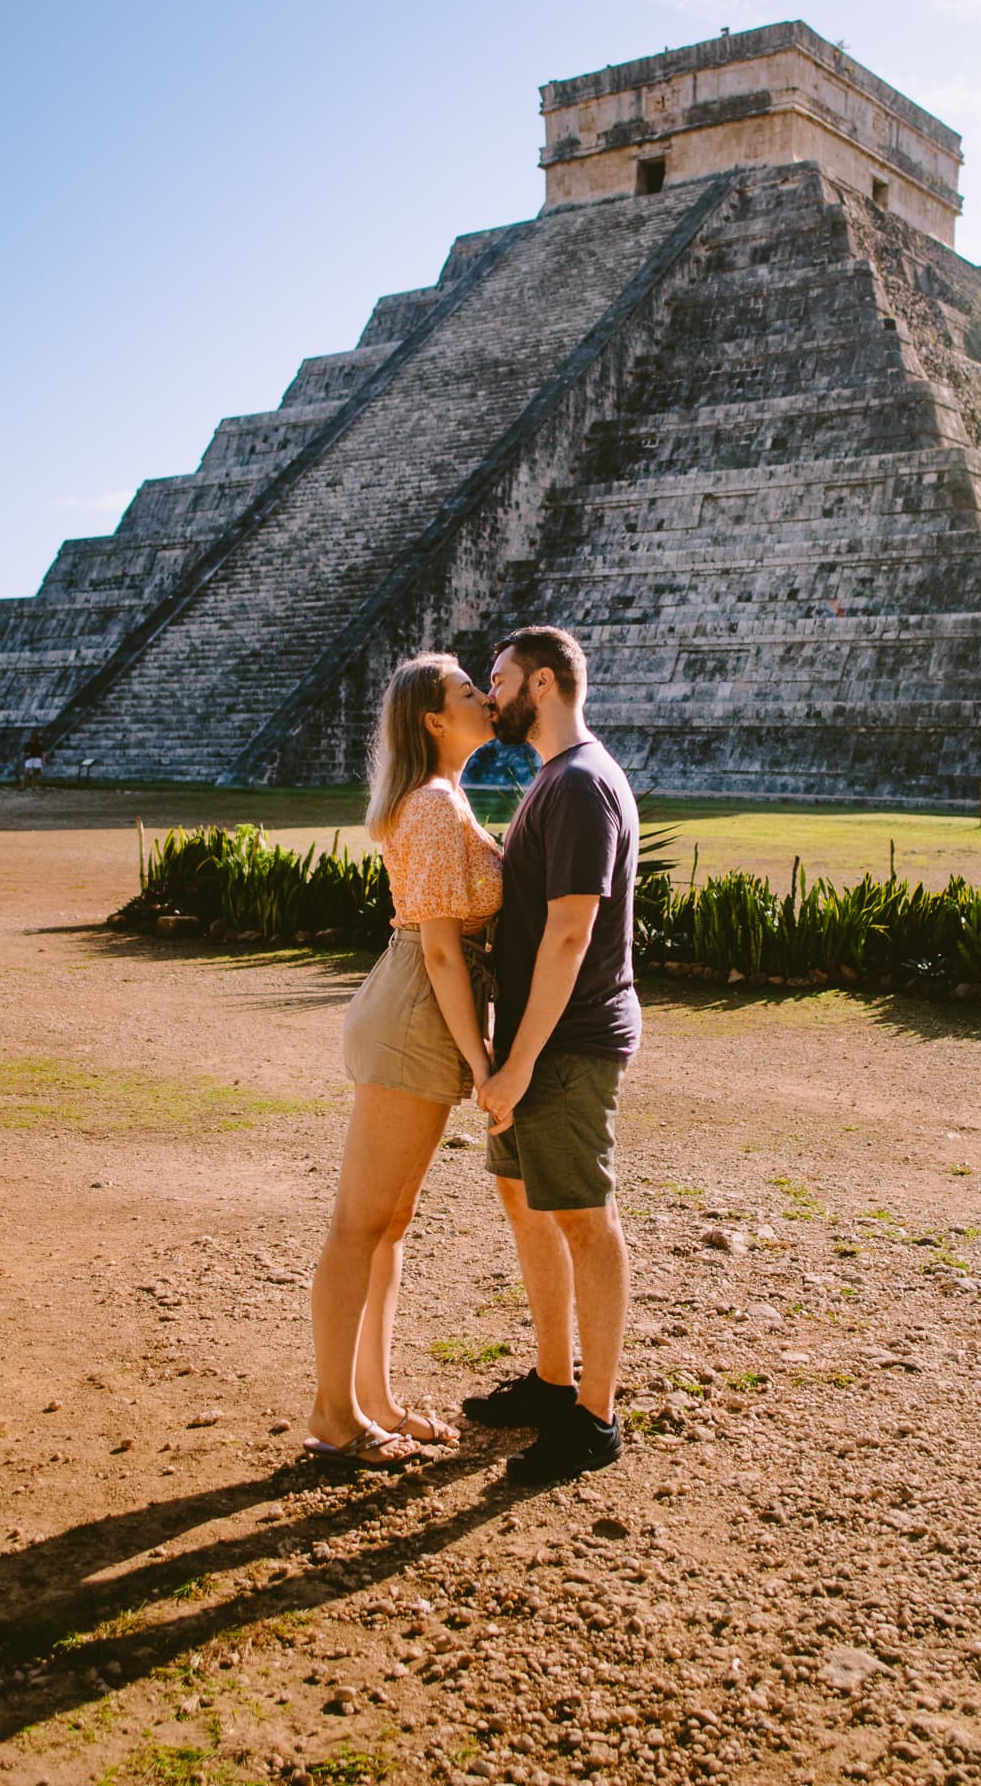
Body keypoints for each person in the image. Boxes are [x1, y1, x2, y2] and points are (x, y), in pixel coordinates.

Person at [306, 654, 501, 1469]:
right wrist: (484, 1061)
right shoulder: (430, 804)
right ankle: (333, 1414)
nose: (487, 700)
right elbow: (442, 950)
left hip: (419, 1008)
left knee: (389, 1223)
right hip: (418, 1007)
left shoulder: (443, 799)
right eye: (467, 693)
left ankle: (373, 1400)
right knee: (360, 1223)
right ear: (432, 720)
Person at [467, 625, 640, 1484]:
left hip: (563, 1044)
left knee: (581, 1218)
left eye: (495, 681)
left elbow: (571, 934)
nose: (486, 697)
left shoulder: (577, 785)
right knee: (528, 1208)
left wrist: (521, 1059)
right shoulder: (553, 780)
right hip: (533, 1040)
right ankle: (549, 1380)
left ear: (540, 683)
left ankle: (594, 1417)